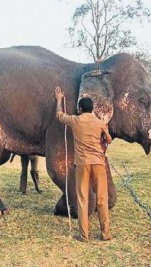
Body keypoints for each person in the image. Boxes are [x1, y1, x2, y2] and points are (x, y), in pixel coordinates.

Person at [54, 85, 112, 242]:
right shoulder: (100, 123)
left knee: (82, 198)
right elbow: (108, 140)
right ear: (92, 109)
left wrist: (59, 99)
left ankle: (84, 235)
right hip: (98, 163)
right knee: (101, 198)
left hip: (82, 164)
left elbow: (59, 115)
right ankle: (105, 234)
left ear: (79, 108)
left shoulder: (75, 120)